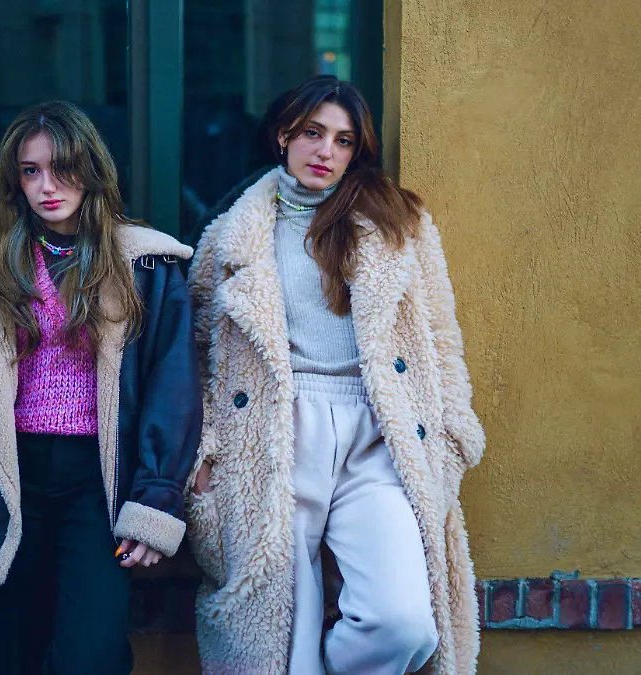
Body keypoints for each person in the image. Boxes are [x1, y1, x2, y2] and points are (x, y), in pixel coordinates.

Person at [185, 76, 485, 675]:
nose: (326, 151)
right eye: (313, 134)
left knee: (401, 622)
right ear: (283, 136)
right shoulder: (233, 234)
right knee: (276, 645)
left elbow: (441, 341)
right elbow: (199, 355)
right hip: (273, 436)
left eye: (343, 141)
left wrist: (451, 436)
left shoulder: (398, 224)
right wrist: (204, 456)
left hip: (379, 436)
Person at [0, 100, 202, 675]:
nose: (47, 186)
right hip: (7, 484)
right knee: (11, 654)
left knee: (92, 654)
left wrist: (156, 495)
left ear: (91, 169)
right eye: (30, 171)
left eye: (62, 168)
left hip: (96, 485)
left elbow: (173, 384)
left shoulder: (148, 269)